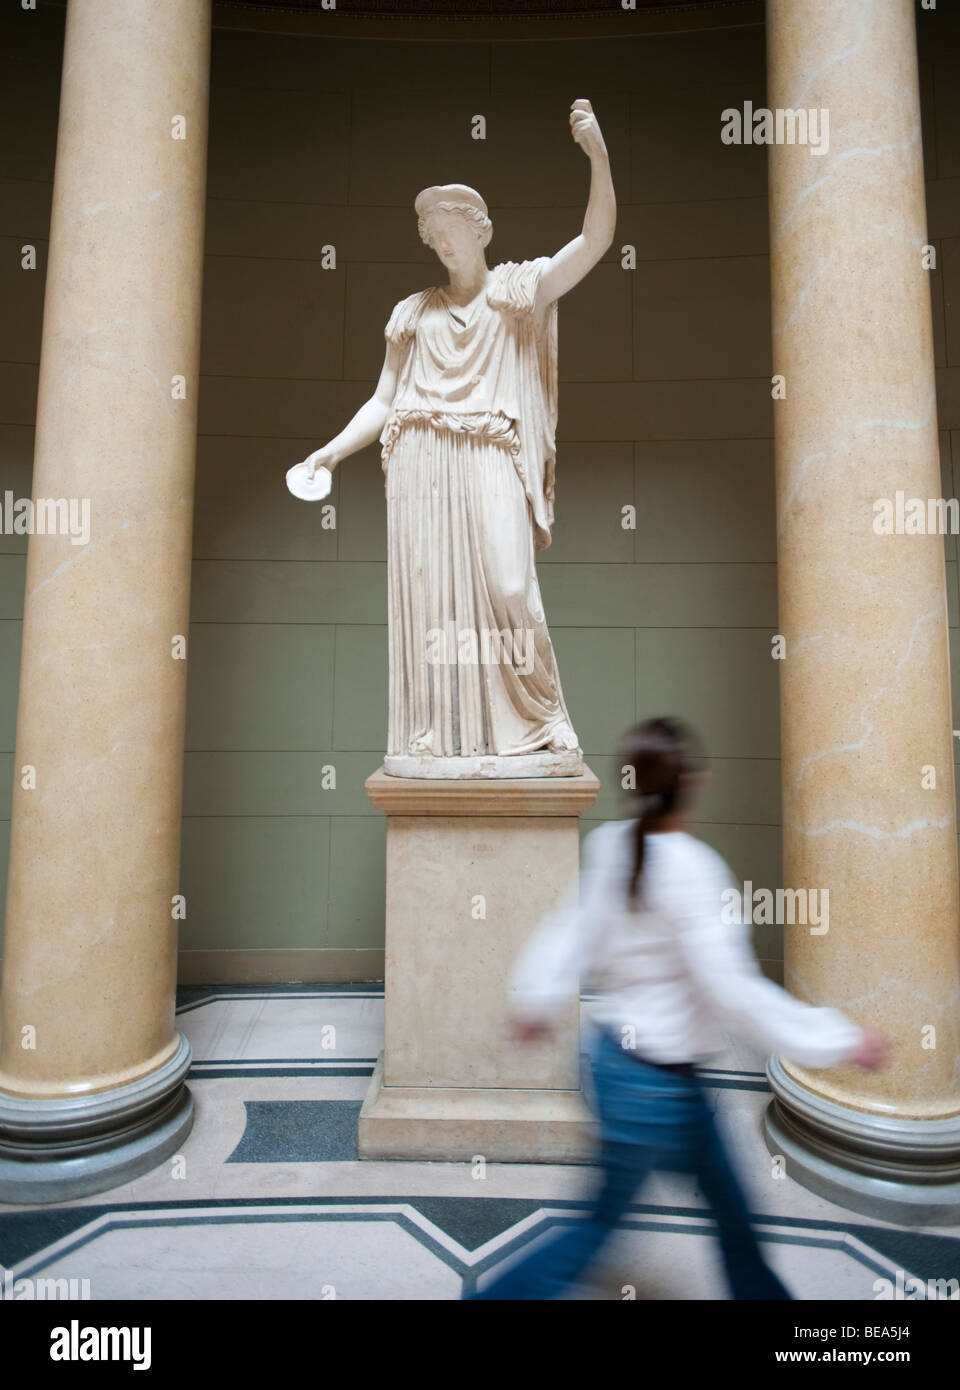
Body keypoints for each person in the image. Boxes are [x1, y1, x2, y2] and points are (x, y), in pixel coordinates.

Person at [470, 716, 888, 1301]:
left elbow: (571, 932)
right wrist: (838, 1040)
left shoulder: (612, 845)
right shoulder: (694, 871)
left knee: (729, 1217)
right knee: (619, 1227)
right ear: (693, 781)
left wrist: (535, 1000)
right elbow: (736, 994)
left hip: (620, 1070)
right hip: (658, 1091)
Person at [294, 100, 616, 771]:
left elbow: (593, 244)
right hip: (420, 462)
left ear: (481, 232)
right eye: (433, 237)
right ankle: (436, 735)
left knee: (508, 585)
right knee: (432, 604)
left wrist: (599, 158)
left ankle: (544, 715)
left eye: (452, 232)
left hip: (490, 453)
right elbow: (385, 398)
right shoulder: (413, 314)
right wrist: (331, 449)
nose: (443, 244)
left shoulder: (517, 292)